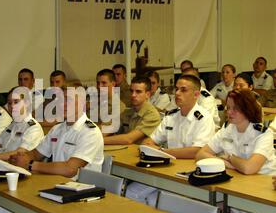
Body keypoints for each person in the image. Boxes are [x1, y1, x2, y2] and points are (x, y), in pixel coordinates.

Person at [0, 87, 104, 213]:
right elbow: (36, 153)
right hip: (55, 188)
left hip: (80, 195)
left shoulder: (90, 132)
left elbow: (69, 169)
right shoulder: (58, 128)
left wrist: (30, 164)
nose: (63, 104)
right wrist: (22, 156)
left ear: (83, 104)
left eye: (69, 100)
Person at [126, 75, 215, 206]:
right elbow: (149, 142)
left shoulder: (204, 119)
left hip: (188, 175)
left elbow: (196, 151)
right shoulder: (171, 116)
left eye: (183, 90)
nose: (177, 93)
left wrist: (163, 151)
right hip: (166, 170)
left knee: (154, 201)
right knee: (130, 192)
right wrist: (154, 148)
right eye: (176, 89)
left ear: (196, 94)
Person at [196, 89, 276, 175]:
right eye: (228, 107)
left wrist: (230, 158)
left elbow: (249, 168)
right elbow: (200, 154)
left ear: (247, 109)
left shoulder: (263, 134)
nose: (229, 112)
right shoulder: (227, 128)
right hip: (238, 176)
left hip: (263, 180)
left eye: (235, 108)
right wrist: (224, 163)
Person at [104, 77, 160, 145]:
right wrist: (95, 137)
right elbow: (109, 128)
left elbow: (129, 139)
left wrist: (99, 141)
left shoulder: (152, 115)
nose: (133, 95)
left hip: (141, 153)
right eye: (131, 91)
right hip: (127, 151)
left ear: (147, 94)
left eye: (138, 91)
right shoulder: (127, 112)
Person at [87, 69, 126, 134]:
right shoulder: (95, 102)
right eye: (98, 83)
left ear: (113, 84)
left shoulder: (118, 106)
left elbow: (104, 131)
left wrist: (86, 125)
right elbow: (85, 121)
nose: (99, 86)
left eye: (104, 83)